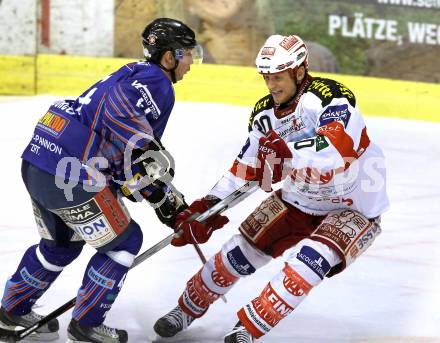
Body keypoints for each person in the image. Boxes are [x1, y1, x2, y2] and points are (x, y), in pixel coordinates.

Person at [153, 34, 389, 343]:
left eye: (277, 77)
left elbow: (337, 148)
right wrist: (207, 207)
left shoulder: (330, 95)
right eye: (266, 77)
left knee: (307, 263)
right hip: (299, 199)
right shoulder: (264, 114)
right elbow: (244, 168)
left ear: (299, 72)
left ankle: (247, 330)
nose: (271, 85)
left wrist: (288, 152)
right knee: (237, 253)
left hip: (353, 207)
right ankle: (185, 309)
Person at [0, 18, 203, 343]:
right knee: (125, 241)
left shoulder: (133, 70)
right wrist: (161, 193)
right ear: (169, 57)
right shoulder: (157, 82)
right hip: (72, 171)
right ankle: (86, 325)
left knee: (60, 246)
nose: (192, 62)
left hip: (39, 158)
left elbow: (124, 156)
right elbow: (122, 125)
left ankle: (10, 313)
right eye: (188, 54)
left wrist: (159, 193)